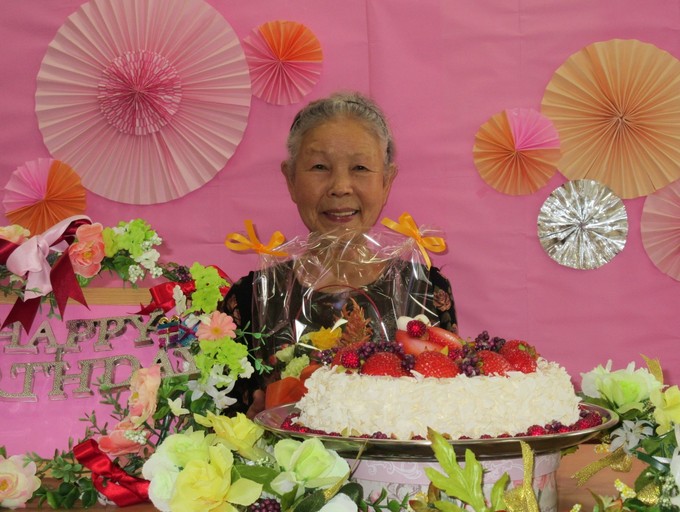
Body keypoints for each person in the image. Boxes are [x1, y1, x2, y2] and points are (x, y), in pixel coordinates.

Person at [222, 91, 457, 416]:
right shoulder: (251, 297)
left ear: (387, 181)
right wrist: (254, 422)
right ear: (290, 178)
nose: (341, 186)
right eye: (320, 166)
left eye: (360, 167)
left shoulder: (423, 289)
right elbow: (223, 424)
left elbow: (450, 403)